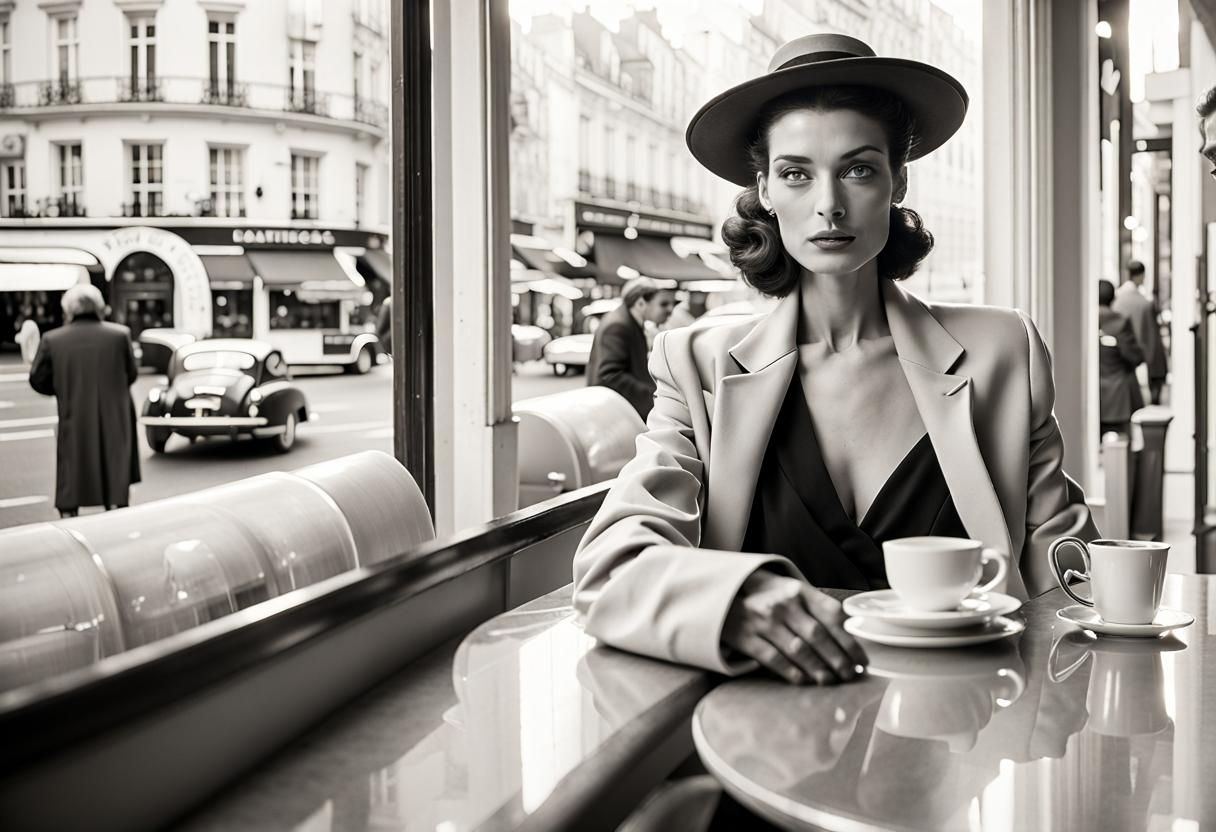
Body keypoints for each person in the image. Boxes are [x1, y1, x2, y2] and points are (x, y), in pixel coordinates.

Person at [572, 33, 1097, 690]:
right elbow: (610, 568)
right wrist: (735, 600)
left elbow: (1068, 575)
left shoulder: (1003, 352)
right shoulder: (699, 364)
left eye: (858, 168)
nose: (829, 204)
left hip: (965, 736)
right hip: (755, 745)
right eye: (796, 173)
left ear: (897, 181)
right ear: (763, 189)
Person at [29, 284, 141, 518]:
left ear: (68, 311)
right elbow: (131, 374)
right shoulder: (120, 335)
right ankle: (116, 504)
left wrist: (63, 388)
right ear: (99, 307)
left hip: (74, 410)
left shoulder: (53, 339)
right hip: (115, 411)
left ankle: (70, 510)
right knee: (113, 456)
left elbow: (38, 379)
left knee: (73, 459)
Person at [585, 277, 674, 419]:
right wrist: (655, 396)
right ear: (640, 303)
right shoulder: (618, 326)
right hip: (611, 414)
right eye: (663, 304)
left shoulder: (626, 321)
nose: (670, 310)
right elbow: (609, 376)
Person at [1111, 260, 1167, 405]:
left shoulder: (1116, 300)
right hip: (1140, 357)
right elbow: (1151, 339)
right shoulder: (1145, 303)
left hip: (1118, 358)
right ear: (1140, 276)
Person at [1098, 279, 1145, 437]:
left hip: (1091, 397)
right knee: (1120, 451)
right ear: (1113, 298)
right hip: (1119, 399)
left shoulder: (1083, 322)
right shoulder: (1120, 323)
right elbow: (1135, 357)